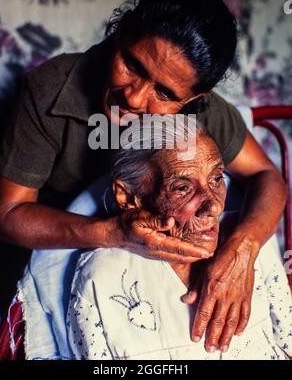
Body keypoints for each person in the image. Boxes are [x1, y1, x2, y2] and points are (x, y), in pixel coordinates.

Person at [0, 0, 286, 352]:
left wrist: (243, 249)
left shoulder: (204, 113)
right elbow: (6, 214)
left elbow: (267, 175)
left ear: (193, 100)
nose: (133, 96)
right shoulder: (51, 89)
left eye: (164, 93)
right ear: (120, 31)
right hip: (50, 258)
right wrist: (111, 233)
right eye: (132, 64)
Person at [67, 118, 292, 360]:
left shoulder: (253, 241)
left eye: (217, 178)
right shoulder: (101, 277)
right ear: (129, 197)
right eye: (182, 188)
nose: (213, 207)